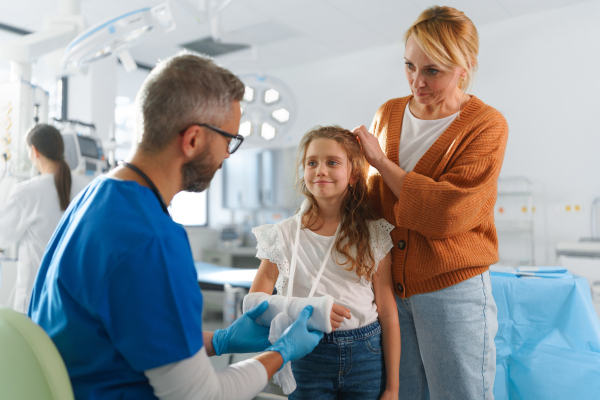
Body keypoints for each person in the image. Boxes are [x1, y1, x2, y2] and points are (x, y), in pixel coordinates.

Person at [28, 52, 323, 400]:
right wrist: (281, 353)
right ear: (194, 139)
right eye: (229, 141)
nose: (228, 155)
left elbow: (131, 335)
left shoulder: (97, 196)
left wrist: (222, 339)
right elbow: (200, 395)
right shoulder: (151, 240)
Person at [352, 6, 508, 400]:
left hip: (452, 290)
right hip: (391, 290)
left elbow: (446, 213)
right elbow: (373, 203)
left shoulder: (486, 124)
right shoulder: (387, 114)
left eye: (432, 71)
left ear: (465, 66)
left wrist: (382, 164)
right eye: (409, 66)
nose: (416, 82)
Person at [250, 126, 401, 400]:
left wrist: (393, 388)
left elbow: (388, 312)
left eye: (332, 162)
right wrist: (304, 308)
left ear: (354, 174)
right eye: (312, 163)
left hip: (367, 354)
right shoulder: (282, 235)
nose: (320, 170)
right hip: (307, 353)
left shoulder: (373, 233)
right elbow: (254, 303)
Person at [0, 124, 84, 313]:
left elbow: (3, 236)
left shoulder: (28, 192)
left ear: (34, 152)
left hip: (36, 301)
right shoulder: (85, 188)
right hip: (73, 302)